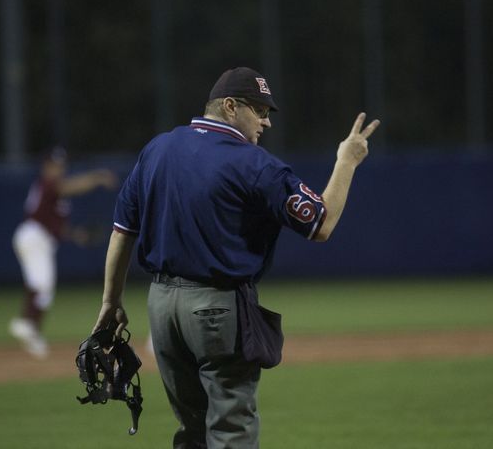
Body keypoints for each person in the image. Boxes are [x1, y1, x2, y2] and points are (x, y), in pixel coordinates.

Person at [91, 67, 379, 448]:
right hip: (215, 309)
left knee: (191, 429)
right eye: (259, 110)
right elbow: (320, 224)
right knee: (231, 430)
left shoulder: (157, 149)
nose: (265, 122)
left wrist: (111, 300)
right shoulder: (254, 163)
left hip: (161, 309)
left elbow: (123, 231)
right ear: (229, 106)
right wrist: (346, 162)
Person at [10, 147, 117, 358]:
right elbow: (70, 187)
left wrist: (78, 235)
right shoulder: (49, 184)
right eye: (54, 165)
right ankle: (25, 323)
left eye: (61, 165)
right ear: (45, 166)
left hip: (39, 238)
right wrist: (97, 178)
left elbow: (56, 226)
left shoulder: (55, 194)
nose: (58, 169)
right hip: (33, 236)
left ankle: (30, 331)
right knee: (42, 284)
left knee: (43, 287)